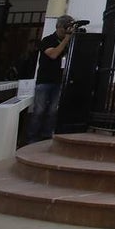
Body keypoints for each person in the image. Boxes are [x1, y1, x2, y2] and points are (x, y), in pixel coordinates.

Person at [27, 14, 76, 143]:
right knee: (39, 110)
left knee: (53, 111)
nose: (66, 31)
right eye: (65, 28)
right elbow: (53, 54)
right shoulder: (48, 40)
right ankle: (32, 138)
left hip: (59, 81)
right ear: (58, 27)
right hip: (44, 81)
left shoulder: (70, 42)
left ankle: (47, 136)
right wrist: (66, 40)